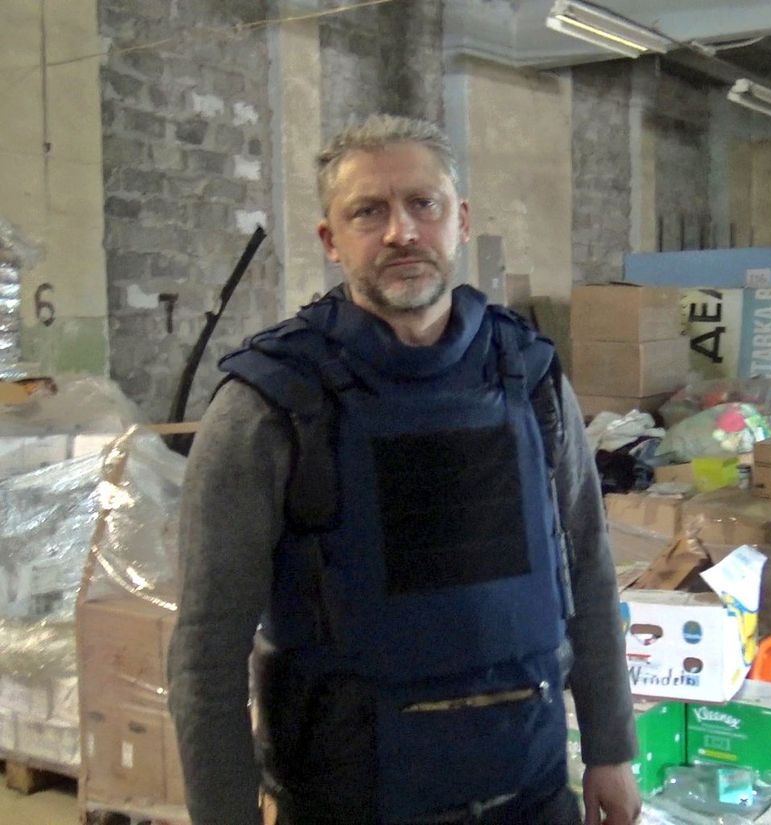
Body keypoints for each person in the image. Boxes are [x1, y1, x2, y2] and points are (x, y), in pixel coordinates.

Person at [168, 114, 641, 825]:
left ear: (461, 221)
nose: (401, 231)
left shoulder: (528, 374)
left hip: (531, 790)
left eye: (424, 204)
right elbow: (208, 647)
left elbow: (588, 567)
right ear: (330, 240)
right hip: (351, 802)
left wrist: (611, 748)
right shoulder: (271, 402)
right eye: (368, 211)